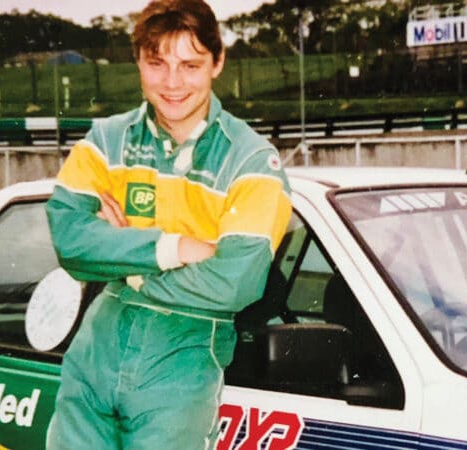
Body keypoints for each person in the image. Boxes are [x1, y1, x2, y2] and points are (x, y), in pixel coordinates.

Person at [44, 0, 292, 448]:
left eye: (190, 65)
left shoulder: (253, 161)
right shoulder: (105, 141)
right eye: (157, 63)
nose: (173, 83)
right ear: (138, 61)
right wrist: (173, 248)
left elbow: (236, 282)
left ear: (218, 63)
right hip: (93, 353)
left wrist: (127, 264)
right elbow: (69, 240)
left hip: (183, 360)